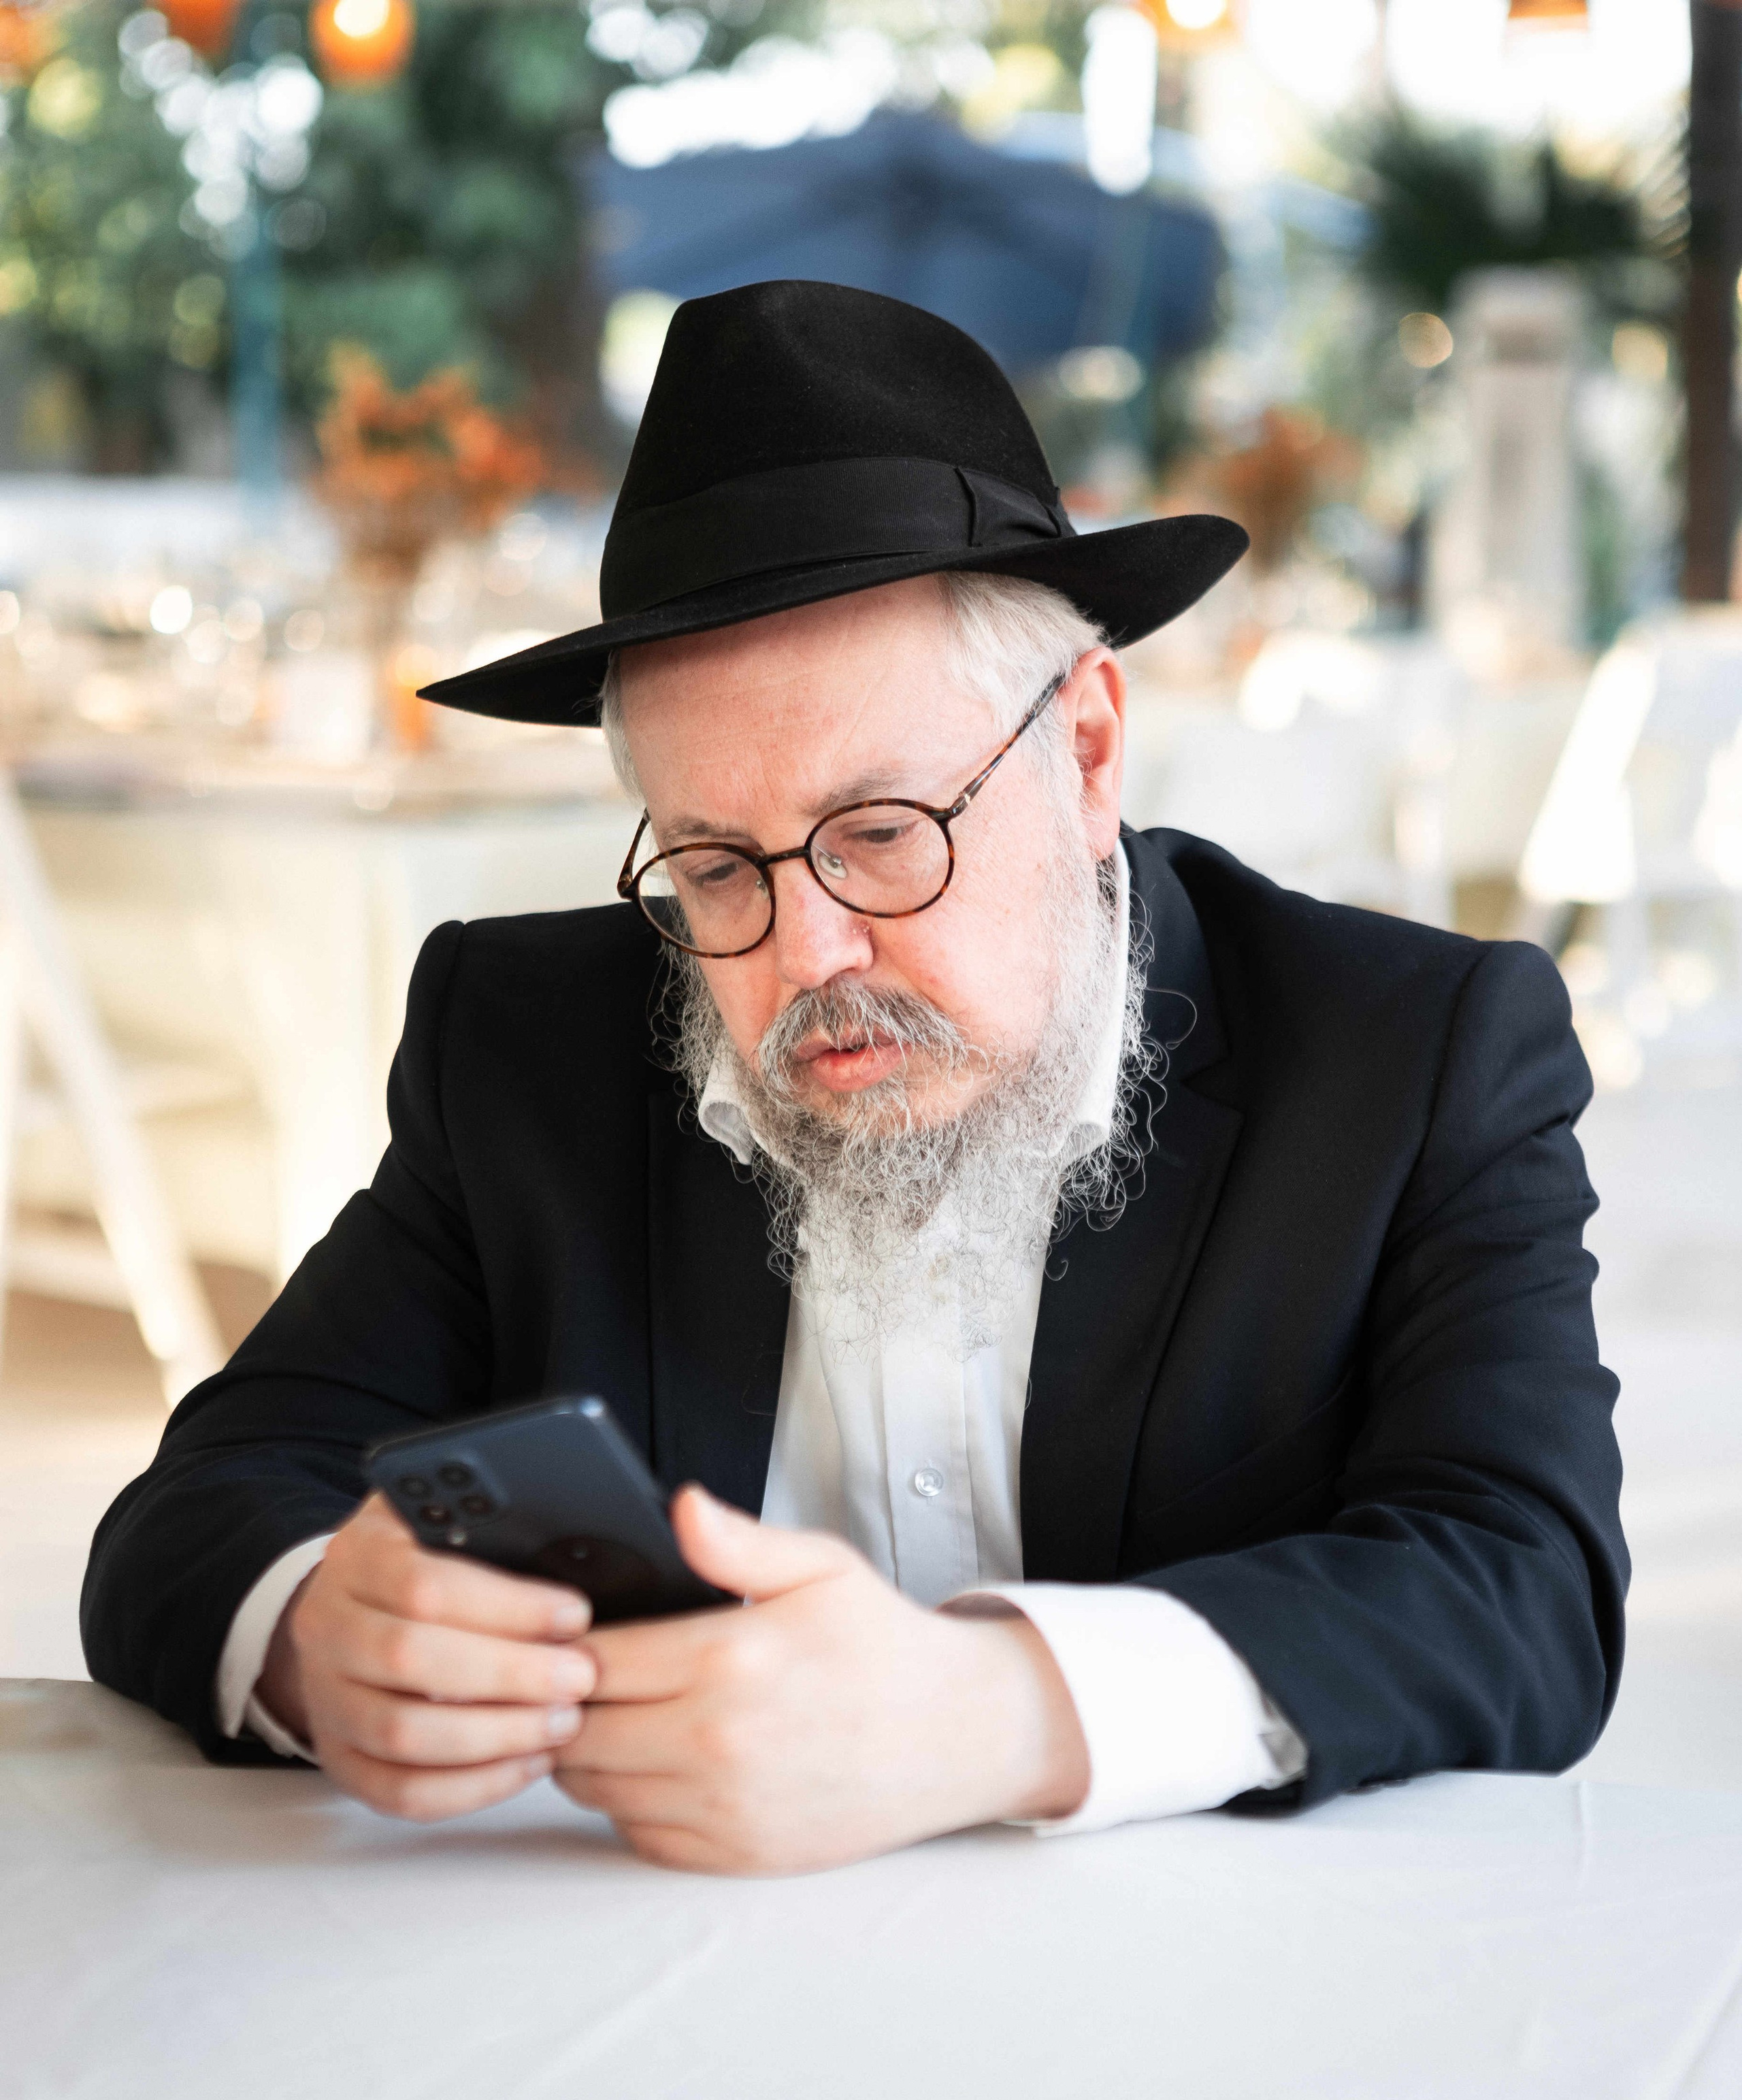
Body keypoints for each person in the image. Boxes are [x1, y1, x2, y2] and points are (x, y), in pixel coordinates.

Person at [82, 280, 1627, 1875]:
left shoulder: (1410, 1055)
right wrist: (308, 1630)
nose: (805, 951)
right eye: (714, 866)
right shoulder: (520, 1044)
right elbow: (197, 1509)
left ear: (1086, 750)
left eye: (882, 833)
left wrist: (992, 1709)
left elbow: (1519, 1586)